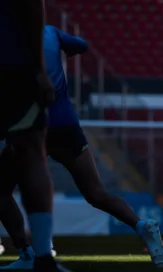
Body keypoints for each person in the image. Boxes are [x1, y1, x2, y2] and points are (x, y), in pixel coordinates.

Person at [0, 25, 163, 270]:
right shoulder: (51, 32)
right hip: (67, 125)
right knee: (97, 193)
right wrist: (61, 51)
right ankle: (141, 225)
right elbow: (82, 45)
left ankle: (27, 254)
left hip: (33, 126)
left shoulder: (9, 38)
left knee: (2, 190)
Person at [0, 1, 65, 271]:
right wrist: (40, 69)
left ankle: (29, 252)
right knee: (32, 154)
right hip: (13, 65)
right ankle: (41, 257)